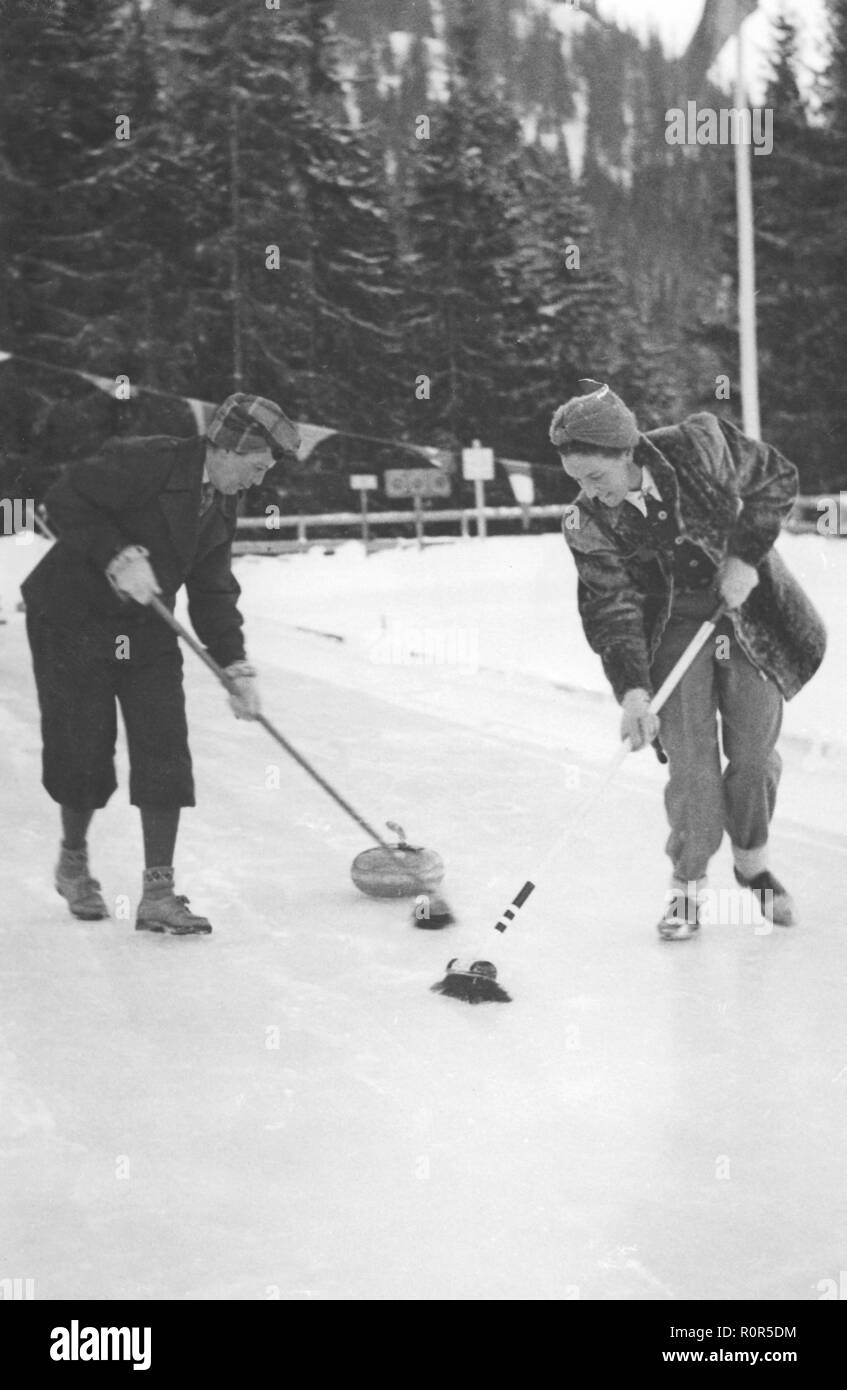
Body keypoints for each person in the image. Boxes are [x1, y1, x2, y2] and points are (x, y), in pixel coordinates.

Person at [551, 379, 826, 940]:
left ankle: (754, 865)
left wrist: (746, 557)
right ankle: (687, 887)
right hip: (671, 628)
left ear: (626, 452)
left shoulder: (697, 444)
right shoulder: (586, 523)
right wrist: (632, 691)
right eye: (577, 480)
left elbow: (776, 478)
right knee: (693, 766)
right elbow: (611, 606)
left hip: (746, 612)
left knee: (752, 753)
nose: (590, 492)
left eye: (596, 476)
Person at [22, 393, 300, 936]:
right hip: (72, 618)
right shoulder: (149, 459)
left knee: (164, 742)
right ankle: (73, 862)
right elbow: (61, 498)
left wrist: (236, 665)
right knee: (84, 748)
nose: (258, 482)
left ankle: (158, 893)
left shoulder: (220, 501)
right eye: (257, 467)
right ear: (228, 447)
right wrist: (117, 555)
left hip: (145, 628)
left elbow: (213, 590)